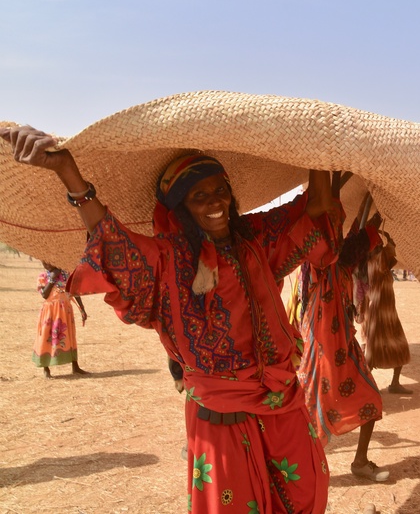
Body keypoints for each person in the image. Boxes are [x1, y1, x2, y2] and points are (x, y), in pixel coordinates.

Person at [2, 125, 340, 514]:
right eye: (199, 196)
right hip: (222, 417)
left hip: (284, 402)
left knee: (308, 495)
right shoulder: (168, 260)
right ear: (180, 208)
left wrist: (319, 149)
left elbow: (316, 208)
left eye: (220, 190)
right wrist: (68, 171)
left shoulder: (257, 237)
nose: (215, 202)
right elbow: (111, 242)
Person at [297, 207, 390, 482]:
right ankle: (302, 471)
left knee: (371, 399)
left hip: (344, 349)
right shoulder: (320, 267)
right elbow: (335, 232)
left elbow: (352, 243)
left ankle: (360, 462)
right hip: (321, 356)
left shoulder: (342, 268)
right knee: (308, 415)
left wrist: (371, 212)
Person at [361, 232, 413, 394]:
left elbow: (390, 254)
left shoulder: (372, 262)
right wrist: (389, 240)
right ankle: (366, 387)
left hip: (384, 313)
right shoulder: (378, 261)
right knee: (375, 351)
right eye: (377, 244)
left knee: (388, 348)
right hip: (379, 314)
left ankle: (380, 385)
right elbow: (390, 251)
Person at [34, 261, 88, 378]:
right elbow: (44, 295)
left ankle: (75, 366)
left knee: (69, 336)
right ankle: (45, 368)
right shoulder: (43, 277)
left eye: (48, 262)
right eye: (43, 263)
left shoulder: (67, 274)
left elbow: (74, 292)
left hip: (65, 311)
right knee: (46, 336)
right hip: (50, 311)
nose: (46, 265)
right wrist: (52, 278)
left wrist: (82, 309)